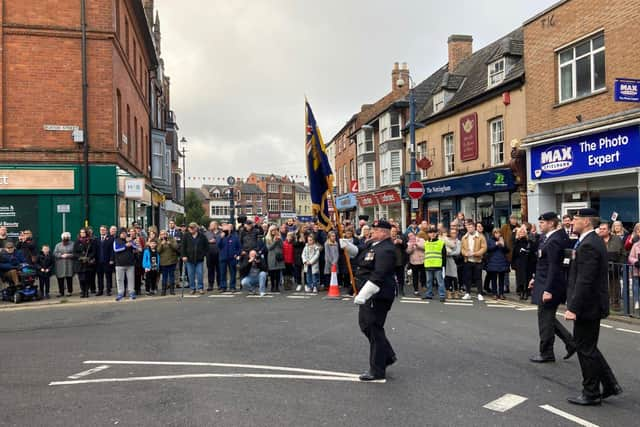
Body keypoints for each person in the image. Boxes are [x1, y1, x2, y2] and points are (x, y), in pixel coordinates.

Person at [565, 208, 622, 405]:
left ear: (587, 222)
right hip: (590, 305)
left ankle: (591, 392)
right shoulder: (589, 241)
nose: (572, 222)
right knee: (588, 347)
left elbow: (585, 280)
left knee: (585, 349)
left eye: (576, 219)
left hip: (587, 307)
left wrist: (573, 307)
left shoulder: (589, 244)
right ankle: (609, 384)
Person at [342, 220, 397, 381]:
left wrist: (364, 294)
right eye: (373, 229)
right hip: (369, 294)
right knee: (366, 325)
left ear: (385, 232)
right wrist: (346, 245)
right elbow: (359, 254)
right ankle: (387, 356)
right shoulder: (373, 244)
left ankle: (377, 369)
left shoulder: (387, 249)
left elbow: (379, 274)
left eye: (377, 229)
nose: (372, 232)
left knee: (374, 328)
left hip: (377, 295)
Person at [528, 212, 575, 363]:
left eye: (543, 222)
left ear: (551, 223)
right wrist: (535, 278)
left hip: (550, 286)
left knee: (545, 320)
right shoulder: (550, 237)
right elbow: (544, 263)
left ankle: (547, 352)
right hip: (544, 282)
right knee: (547, 318)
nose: (540, 225)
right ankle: (571, 342)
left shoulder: (555, 240)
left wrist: (548, 289)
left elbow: (554, 267)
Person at [598, 222, 624, 311]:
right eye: (600, 229)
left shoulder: (617, 239)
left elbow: (623, 253)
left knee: (615, 286)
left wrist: (620, 264)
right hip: (600, 267)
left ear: (609, 230)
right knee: (601, 286)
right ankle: (602, 304)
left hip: (614, 266)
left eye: (604, 229)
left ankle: (615, 304)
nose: (601, 230)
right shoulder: (596, 240)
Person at [460, 220, 487, 301]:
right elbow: (462, 249)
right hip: (467, 260)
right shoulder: (464, 237)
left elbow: (484, 248)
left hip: (477, 260)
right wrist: (465, 253)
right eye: (468, 227)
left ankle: (479, 293)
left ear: (474, 227)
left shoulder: (481, 236)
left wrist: (475, 253)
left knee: (478, 277)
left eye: (471, 227)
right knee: (468, 278)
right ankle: (467, 293)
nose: (469, 228)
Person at [181, 222, 209, 295]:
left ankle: (200, 288)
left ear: (196, 228)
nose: (190, 229)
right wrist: (183, 256)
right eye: (190, 227)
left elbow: (206, 246)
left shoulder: (202, 236)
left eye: (192, 227)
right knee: (190, 274)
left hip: (199, 259)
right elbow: (183, 247)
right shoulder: (186, 236)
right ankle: (192, 288)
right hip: (189, 259)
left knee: (200, 274)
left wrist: (203, 254)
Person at [113, 227, 140, 301]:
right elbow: (116, 249)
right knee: (120, 280)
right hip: (119, 264)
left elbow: (136, 248)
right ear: (119, 234)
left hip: (130, 264)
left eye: (125, 233)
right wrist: (125, 246)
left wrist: (131, 242)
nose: (124, 235)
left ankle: (132, 293)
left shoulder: (130, 240)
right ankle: (120, 294)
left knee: (131, 279)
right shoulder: (116, 240)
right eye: (122, 233)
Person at [422, 226, 447, 302]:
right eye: (430, 232)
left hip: (438, 265)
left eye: (434, 232)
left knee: (440, 281)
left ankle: (442, 295)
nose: (432, 234)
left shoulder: (441, 242)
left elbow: (444, 255)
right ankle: (429, 294)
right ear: (428, 234)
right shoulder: (426, 243)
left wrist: (443, 266)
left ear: (436, 233)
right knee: (429, 281)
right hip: (428, 265)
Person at [511, 225, 536, 300]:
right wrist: (513, 264)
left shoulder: (529, 242)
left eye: (523, 232)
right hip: (519, 263)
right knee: (520, 279)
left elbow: (532, 253)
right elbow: (514, 255)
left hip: (528, 263)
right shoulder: (516, 242)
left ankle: (526, 292)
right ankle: (521, 292)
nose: (521, 233)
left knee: (528, 278)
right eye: (520, 232)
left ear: (525, 233)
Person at [486, 228, 510, 300]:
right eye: (496, 233)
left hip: (502, 262)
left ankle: (501, 293)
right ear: (493, 234)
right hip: (493, 262)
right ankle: (494, 293)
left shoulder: (502, 240)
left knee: (501, 279)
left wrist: (503, 245)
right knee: (494, 279)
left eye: (499, 233)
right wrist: (496, 244)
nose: (498, 234)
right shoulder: (490, 240)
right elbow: (488, 249)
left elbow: (507, 250)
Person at [217, 223, 241, 292]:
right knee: (222, 273)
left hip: (232, 258)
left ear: (230, 230)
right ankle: (223, 286)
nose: (225, 231)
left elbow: (239, 248)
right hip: (223, 258)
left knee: (233, 273)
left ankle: (232, 287)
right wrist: (221, 238)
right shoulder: (220, 237)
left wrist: (237, 254)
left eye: (227, 229)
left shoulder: (235, 237)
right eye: (224, 230)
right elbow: (218, 246)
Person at [73, 228, 96, 299]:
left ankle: (86, 292)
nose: (82, 233)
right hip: (80, 263)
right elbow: (74, 253)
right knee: (81, 279)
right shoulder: (77, 242)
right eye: (81, 232)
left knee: (87, 278)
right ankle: (82, 291)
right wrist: (80, 257)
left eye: (84, 232)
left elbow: (93, 252)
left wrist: (88, 257)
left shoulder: (90, 241)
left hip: (87, 263)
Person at [158, 229, 179, 295]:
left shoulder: (172, 239)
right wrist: (161, 244)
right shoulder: (159, 241)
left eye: (164, 234)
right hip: (163, 262)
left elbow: (176, 247)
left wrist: (170, 244)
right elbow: (158, 251)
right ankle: (163, 290)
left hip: (172, 261)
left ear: (167, 234)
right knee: (164, 277)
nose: (163, 235)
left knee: (172, 276)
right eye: (161, 234)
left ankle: (172, 290)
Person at [53, 232, 75, 297]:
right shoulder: (58, 245)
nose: (65, 238)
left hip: (69, 263)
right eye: (64, 237)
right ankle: (61, 292)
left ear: (69, 237)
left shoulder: (73, 244)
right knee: (60, 278)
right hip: (60, 264)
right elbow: (55, 253)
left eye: (67, 237)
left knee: (69, 278)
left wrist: (69, 255)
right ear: (62, 238)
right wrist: (61, 255)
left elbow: (75, 253)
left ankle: (69, 291)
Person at [95, 225, 115, 296]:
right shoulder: (97, 239)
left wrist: (112, 259)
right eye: (101, 230)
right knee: (99, 277)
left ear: (106, 231)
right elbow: (95, 251)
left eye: (103, 230)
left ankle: (108, 290)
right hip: (99, 261)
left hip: (107, 261)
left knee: (108, 276)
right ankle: (100, 290)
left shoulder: (111, 239)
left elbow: (112, 250)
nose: (102, 231)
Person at [265, 225, 285, 292]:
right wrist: (274, 241)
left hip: (279, 256)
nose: (274, 231)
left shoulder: (280, 237)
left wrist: (279, 240)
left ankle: (277, 287)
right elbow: (269, 248)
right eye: (272, 230)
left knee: (278, 273)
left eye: (275, 230)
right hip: (271, 257)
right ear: (270, 231)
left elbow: (282, 246)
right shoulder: (267, 238)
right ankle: (272, 286)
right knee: (272, 273)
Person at [406, 231, 426, 296]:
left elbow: (425, 247)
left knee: (423, 274)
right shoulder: (408, 243)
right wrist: (411, 246)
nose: (411, 237)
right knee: (415, 276)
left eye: (412, 235)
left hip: (422, 260)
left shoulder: (421, 240)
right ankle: (416, 290)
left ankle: (423, 285)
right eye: (409, 236)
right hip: (414, 262)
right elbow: (408, 252)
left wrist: (417, 245)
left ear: (414, 235)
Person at [444, 228, 462, 298]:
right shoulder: (446, 241)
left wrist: (450, 253)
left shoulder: (458, 242)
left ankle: (456, 292)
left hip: (454, 261)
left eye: (455, 233)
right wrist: (449, 253)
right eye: (452, 233)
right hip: (447, 261)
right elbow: (445, 251)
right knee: (447, 277)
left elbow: (458, 252)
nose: (453, 234)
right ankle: (448, 292)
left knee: (455, 277)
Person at [205, 221, 222, 291]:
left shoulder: (221, 233)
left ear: (215, 226)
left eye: (211, 225)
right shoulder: (207, 233)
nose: (210, 226)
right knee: (210, 270)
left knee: (219, 270)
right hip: (209, 254)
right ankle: (210, 285)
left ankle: (219, 284)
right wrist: (209, 241)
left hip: (219, 254)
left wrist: (216, 240)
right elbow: (204, 242)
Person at [627, 239, 640, 311]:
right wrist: (636, 262)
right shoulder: (635, 245)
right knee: (636, 286)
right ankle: (636, 301)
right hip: (637, 270)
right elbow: (630, 257)